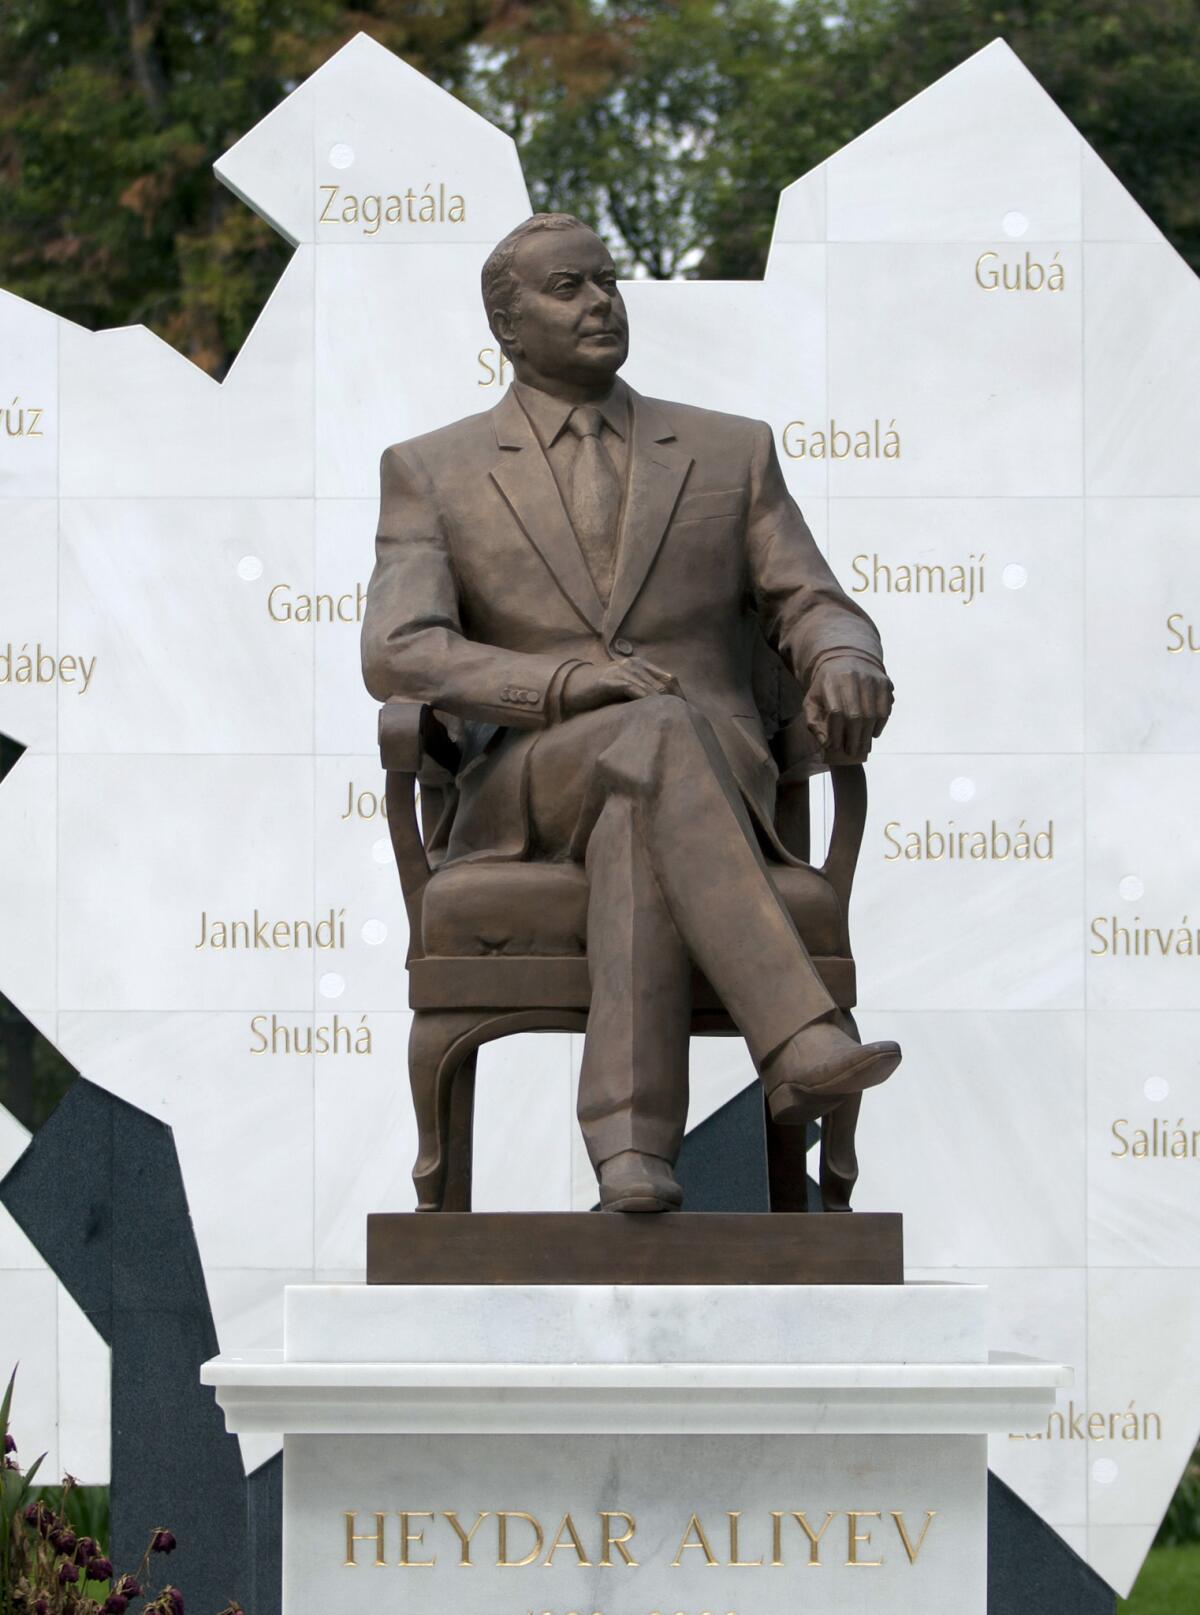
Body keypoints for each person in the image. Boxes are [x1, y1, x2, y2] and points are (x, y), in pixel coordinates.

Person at [362, 213, 900, 1212]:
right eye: (568, 287)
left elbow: (811, 600)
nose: (601, 300)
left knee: (642, 800)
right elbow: (398, 648)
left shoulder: (728, 453)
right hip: (532, 782)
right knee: (645, 732)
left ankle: (633, 1153)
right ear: (508, 326)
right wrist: (568, 683)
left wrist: (845, 655)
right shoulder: (431, 470)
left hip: (707, 774)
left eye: (608, 280)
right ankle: (800, 1036)